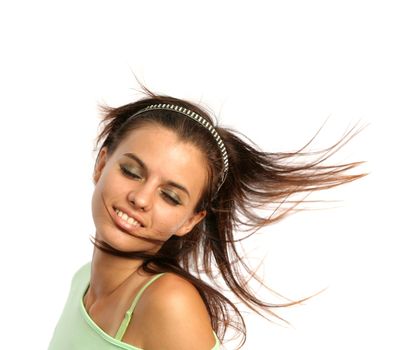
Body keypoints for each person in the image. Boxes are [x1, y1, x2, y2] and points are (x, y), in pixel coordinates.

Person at [48, 88, 365, 350]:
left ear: (190, 220)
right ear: (101, 164)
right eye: (131, 171)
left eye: (170, 196)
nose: (141, 199)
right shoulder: (83, 280)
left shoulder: (168, 302)